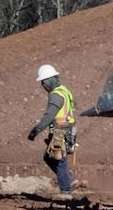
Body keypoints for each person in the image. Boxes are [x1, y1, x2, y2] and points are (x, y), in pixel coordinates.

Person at [27, 63, 77, 194]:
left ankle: (66, 191)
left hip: (61, 132)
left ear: (50, 80)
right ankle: (70, 181)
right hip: (68, 130)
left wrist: (35, 131)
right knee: (49, 157)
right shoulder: (65, 91)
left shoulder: (56, 95)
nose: (43, 85)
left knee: (59, 161)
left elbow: (49, 116)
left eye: (43, 82)